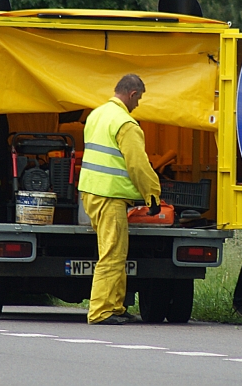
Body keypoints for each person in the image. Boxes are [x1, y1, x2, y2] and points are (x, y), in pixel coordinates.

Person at [77, 74, 161, 325]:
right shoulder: (126, 123)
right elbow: (138, 164)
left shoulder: (97, 114)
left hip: (91, 193)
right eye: (140, 98)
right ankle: (101, 311)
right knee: (112, 254)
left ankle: (115, 305)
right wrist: (152, 195)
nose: (138, 104)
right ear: (133, 94)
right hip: (109, 195)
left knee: (114, 250)